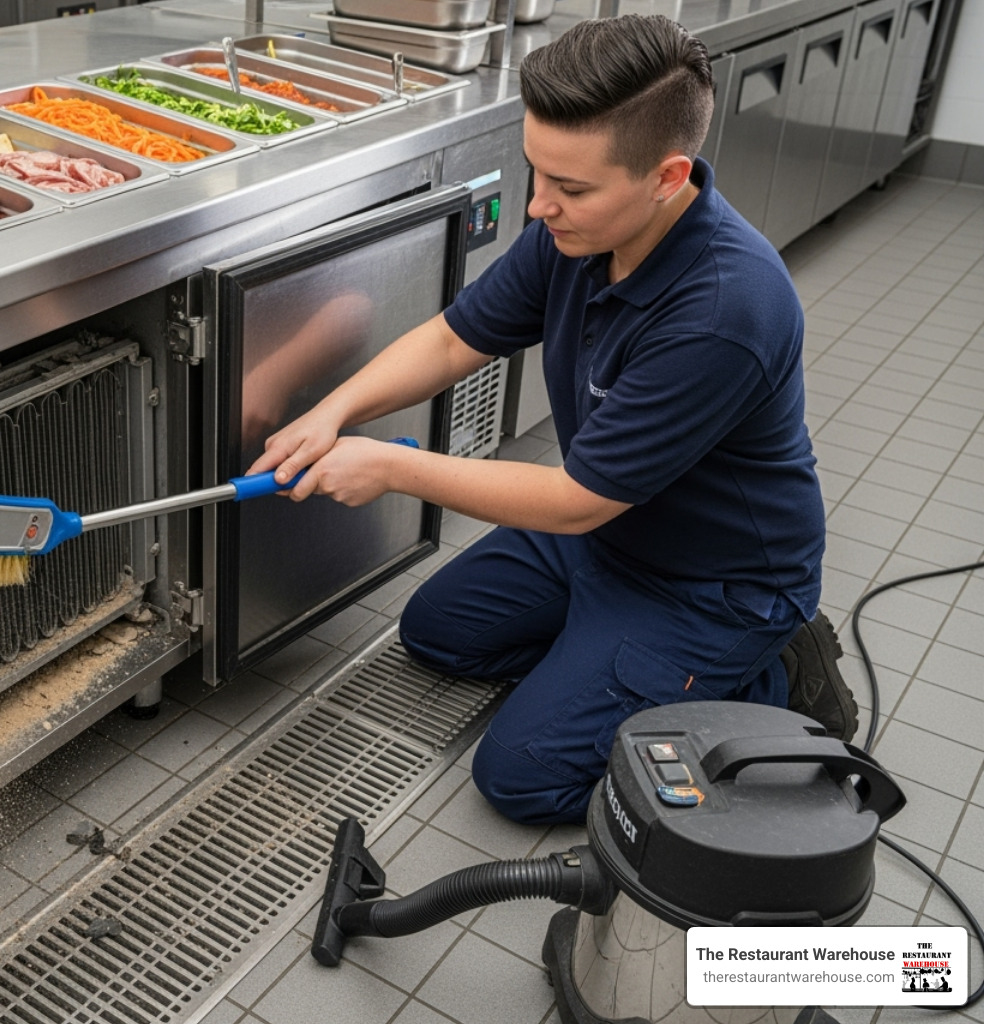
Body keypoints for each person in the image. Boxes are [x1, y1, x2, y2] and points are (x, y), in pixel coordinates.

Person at [246, 14, 857, 825]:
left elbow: (576, 499)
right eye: (537, 173)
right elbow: (455, 336)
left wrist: (389, 465)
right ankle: (608, 657)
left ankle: (772, 675)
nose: (539, 206)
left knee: (522, 776)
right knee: (438, 633)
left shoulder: (724, 309)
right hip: (608, 537)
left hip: (711, 586)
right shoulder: (576, 235)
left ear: (668, 176)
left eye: (569, 187)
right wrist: (332, 410)